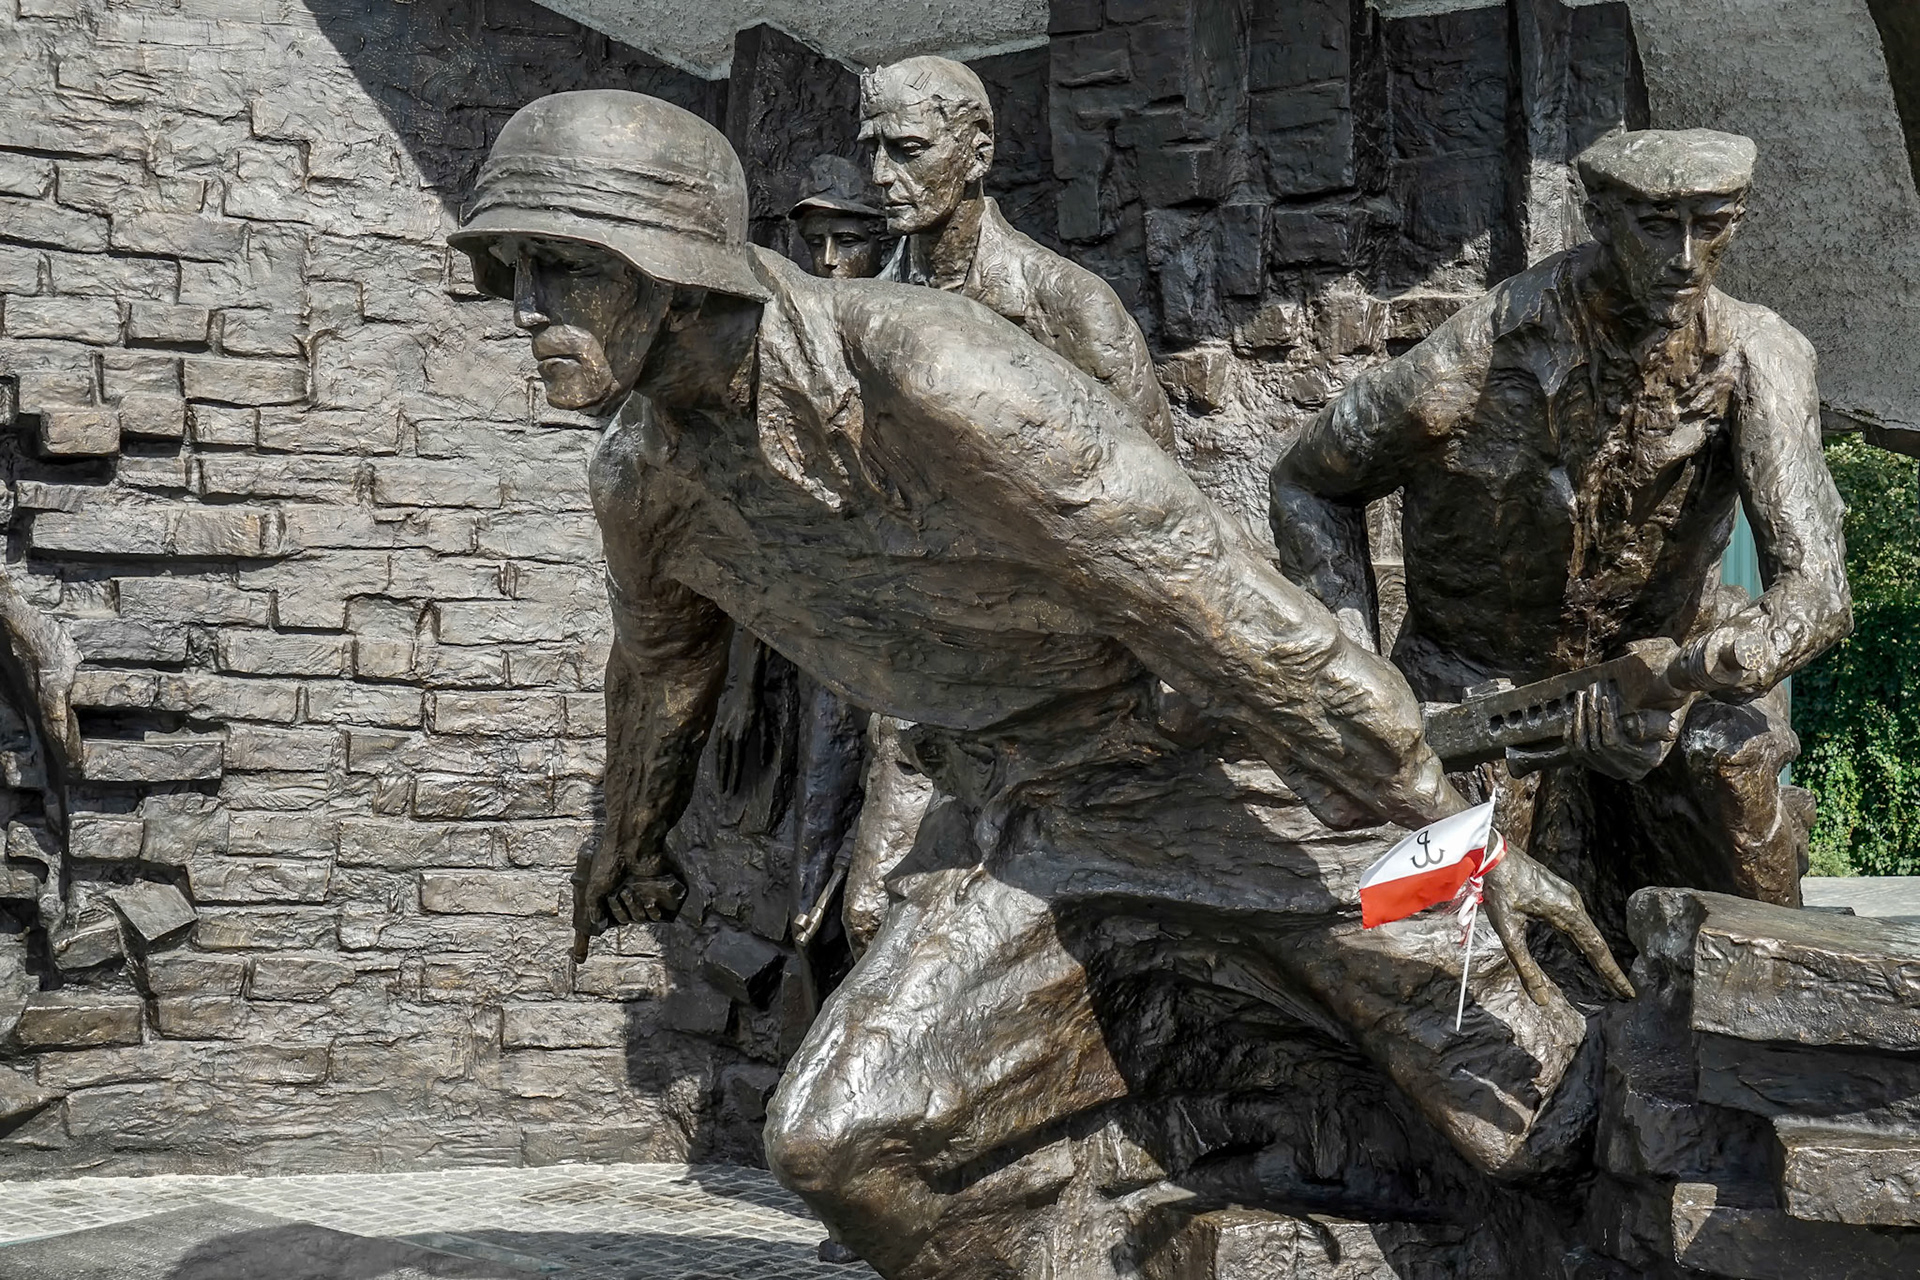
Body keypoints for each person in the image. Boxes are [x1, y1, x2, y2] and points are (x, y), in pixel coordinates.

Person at [450, 90, 1629, 1278]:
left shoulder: (926, 367)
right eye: (507, 268)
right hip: (1020, 826)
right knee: (840, 1142)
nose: (524, 306)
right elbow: (658, 675)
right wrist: (629, 842)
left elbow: (1229, 610)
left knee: (1535, 1105)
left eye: (558, 264)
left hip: (1252, 786)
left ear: (674, 268)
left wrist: (1453, 838)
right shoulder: (644, 480)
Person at [1271, 129, 1851, 945]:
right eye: (1656, 225)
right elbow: (1308, 482)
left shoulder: (1764, 358)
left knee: (1734, 781)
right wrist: (1359, 681)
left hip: (1663, 675)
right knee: (1427, 939)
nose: (1686, 258)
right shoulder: (1478, 355)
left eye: (1711, 225)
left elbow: (1819, 587)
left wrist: (1727, 665)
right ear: (1599, 217)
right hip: (1475, 687)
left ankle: (1768, 1025)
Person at [861, 56, 1179, 452]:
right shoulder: (871, 306)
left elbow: (1157, 482)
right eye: (872, 149)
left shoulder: (1073, 304)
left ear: (977, 155)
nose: (880, 174)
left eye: (908, 148)